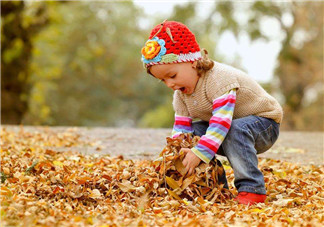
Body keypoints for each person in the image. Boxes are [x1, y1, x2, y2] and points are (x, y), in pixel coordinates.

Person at [141, 20, 282, 205]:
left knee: (234, 129)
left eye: (172, 76)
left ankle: (252, 188)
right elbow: (181, 131)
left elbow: (221, 122)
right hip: (230, 128)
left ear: (192, 61)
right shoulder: (180, 95)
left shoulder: (219, 79)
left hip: (264, 124)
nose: (170, 84)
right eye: (163, 80)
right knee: (194, 132)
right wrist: (176, 156)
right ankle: (216, 187)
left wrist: (199, 153)